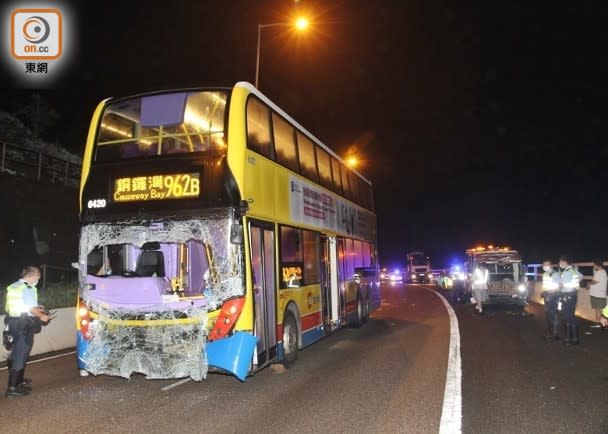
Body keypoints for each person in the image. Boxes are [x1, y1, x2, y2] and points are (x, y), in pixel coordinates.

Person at [4, 266, 50, 397]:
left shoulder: (13, 286)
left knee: (15, 351)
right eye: (37, 279)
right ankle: (13, 388)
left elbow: (13, 306)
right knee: (22, 352)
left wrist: (37, 308)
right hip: (23, 324)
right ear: (33, 276)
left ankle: (18, 380)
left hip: (12, 321)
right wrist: (42, 316)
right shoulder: (28, 288)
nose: (37, 281)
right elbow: (30, 308)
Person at [558, 255, 583, 345]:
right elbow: (581, 276)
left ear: (565, 262)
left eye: (560, 261)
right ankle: (570, 338)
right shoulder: (573, 270)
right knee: (569, 316)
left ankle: (573, 339)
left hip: (568, 295)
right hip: (572, 295)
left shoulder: (567, 272)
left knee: (569, 316)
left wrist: (561, 287)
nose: (559, 263)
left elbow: (563, 285)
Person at [540, 260, 561, 340]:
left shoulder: (555, 274)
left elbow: (559, 286)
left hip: (553, 296)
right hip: (547, 296)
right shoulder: (545, 274)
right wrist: (544, 292)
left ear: (551, 266)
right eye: (544, 265)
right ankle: (551, 333)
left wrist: (551, 292)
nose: (545, 266)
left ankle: (555, 335)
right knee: (548, 314)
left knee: (553, 314)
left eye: (547, 265)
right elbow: (546, 285)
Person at [587, 260, 607, 328]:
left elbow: (594, 282)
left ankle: (600, 324)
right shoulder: (600, 272)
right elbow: (595, 277)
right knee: (598, 309)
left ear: (598, 265)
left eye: (594, 265)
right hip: (598, 294)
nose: (593, 266)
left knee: (598, 310)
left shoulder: (600, 273)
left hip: (598, 295)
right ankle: (601, 323)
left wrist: (588, 284)